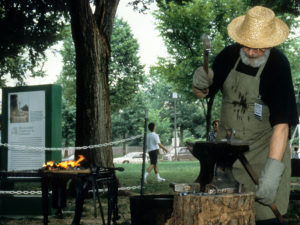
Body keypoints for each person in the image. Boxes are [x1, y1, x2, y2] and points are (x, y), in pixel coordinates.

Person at [193, 6, 298, 224]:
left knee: (264, 218)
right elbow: (202, 93)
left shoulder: (278, 66)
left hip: (263, 158)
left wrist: (271, 176)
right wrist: (199, 84)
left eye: (259, 49)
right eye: (247, 46)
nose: (251, 52)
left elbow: (282, 126)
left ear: (270, 43)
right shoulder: (228, 56)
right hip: (226, 159)